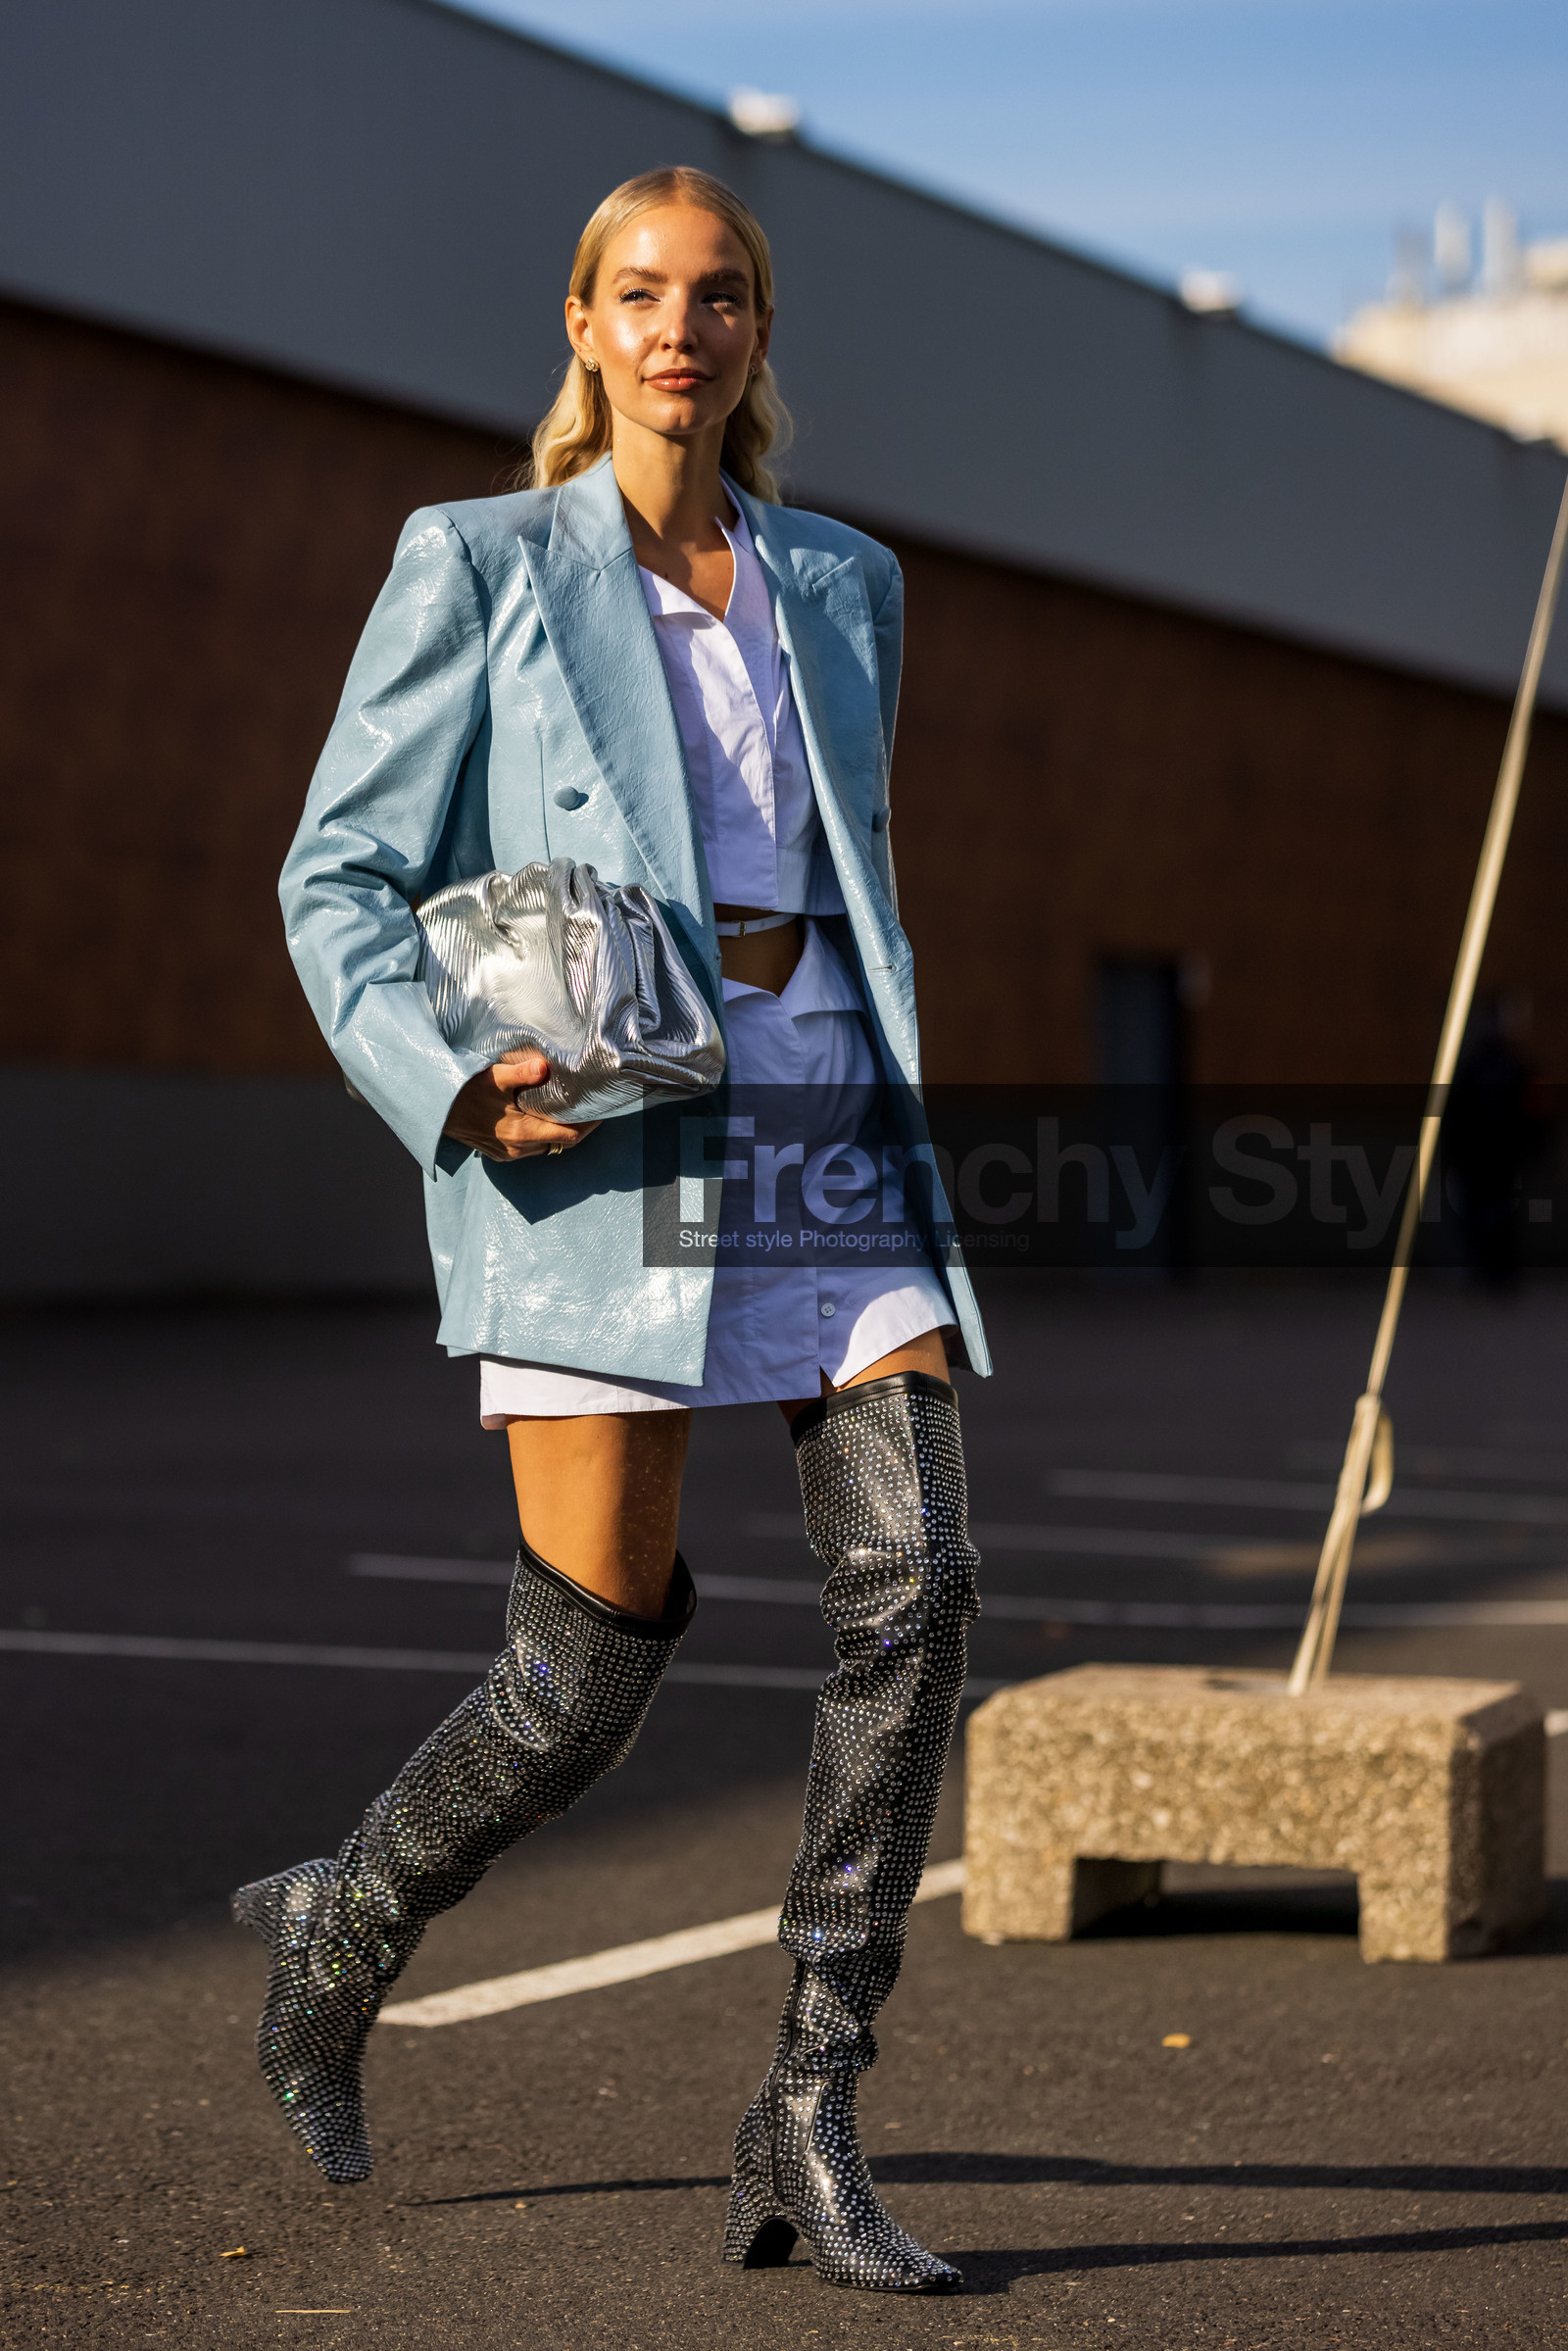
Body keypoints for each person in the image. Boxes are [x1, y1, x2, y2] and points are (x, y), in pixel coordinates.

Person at [236, 167, 991, 2298]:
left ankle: (806, 2111)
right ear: (581, 324)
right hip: (604, 1136)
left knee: (918, 1579)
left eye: (721, 293)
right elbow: (336, 875)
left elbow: (839, 855)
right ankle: (343, 1920)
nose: (683, 327)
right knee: (578, 1679)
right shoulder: (475, 565)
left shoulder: (840, 583)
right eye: (640, 293)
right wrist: (443, 1079)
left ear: (759, 331)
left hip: (833, 1109)